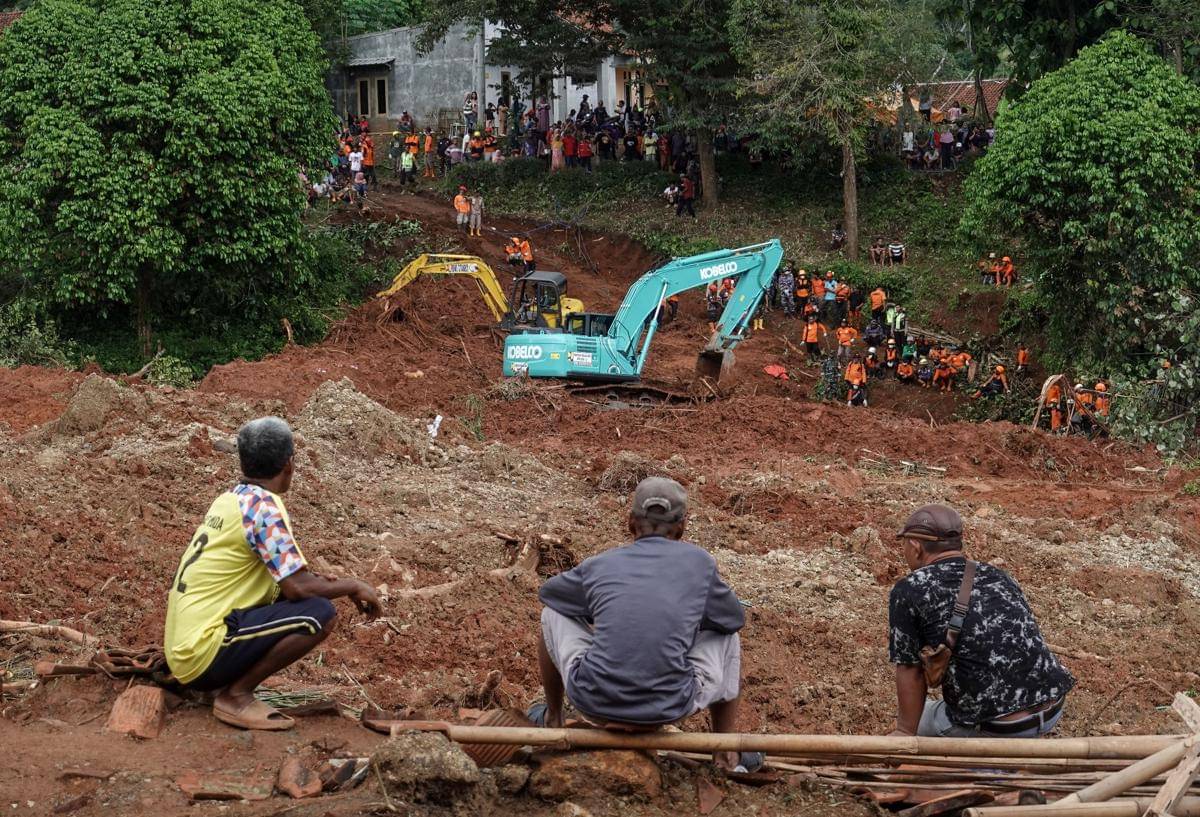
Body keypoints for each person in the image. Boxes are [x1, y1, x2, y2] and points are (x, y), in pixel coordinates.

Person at [163, 418, 381, 731]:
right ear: (289, 464)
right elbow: (297, 589)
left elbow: (282, 578)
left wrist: (315, 580)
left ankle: (225, 684)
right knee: (318, 614)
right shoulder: (264, 506)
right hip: (201, 655)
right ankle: (236, 696)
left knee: (306, 599)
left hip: (184, 650)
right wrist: (354, 585)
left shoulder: (231, 500)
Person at [532, 478, 757, 771]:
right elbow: (732, 619)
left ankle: (553, 719)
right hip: (668, 706)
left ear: (630, 523)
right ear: (682, 527)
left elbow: (550, 595)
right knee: (727, 636)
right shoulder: (699, 564)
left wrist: (603, 607)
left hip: (594, 701)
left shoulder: (601, 564)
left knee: (551, 614)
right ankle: (725, 754)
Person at [889, 504, 1073, 738]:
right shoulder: (998, 576)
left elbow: (909, 669)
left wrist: (904, 732)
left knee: (923, 720)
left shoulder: (909, 590)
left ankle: (968, 766)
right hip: (1052, 707)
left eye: (904, 543)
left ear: (915, 547)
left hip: (1001, 727)